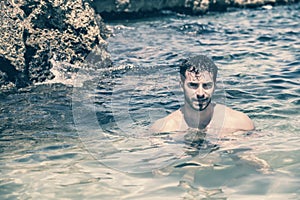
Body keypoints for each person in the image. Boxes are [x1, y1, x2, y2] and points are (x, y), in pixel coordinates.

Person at [150, 55, 254, 136]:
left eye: (206, 85)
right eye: (193, 85)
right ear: (181, 85)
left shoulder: (240, 123)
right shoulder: (165, 129)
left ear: (215, 86)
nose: (200, 93)